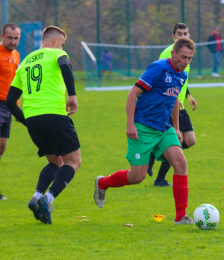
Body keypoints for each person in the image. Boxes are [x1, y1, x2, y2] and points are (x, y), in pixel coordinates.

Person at [94, 37, 196, 225]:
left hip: (164, 128)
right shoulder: (158, 68)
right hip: (143, 127)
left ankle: (181, 216)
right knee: (137, 177)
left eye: (190, 58)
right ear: (173, 53)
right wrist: (130, 124)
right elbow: (133, 92)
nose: (186, 62)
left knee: (180, 162)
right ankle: (102, 183)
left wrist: (176, 127)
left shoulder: (182, 75)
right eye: (183, 57)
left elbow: (174, 99)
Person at [6, 25, 81, 224]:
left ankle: (37, 196)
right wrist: (72, 96)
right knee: (73, 162)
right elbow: (65, 66)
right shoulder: (56, 52)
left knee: (55, 162)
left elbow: (10, 100)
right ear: (55, 41)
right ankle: (48, 199)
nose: (62, 47)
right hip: (55, 114)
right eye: (62, 43)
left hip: (33, 119)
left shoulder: (25, 61)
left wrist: (26, 121)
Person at [147, 23, 198, 187]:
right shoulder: (169, 53)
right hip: (169, 104)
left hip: (180, 104)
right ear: (173, 37)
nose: (182, 35)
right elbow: (162, 78)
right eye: (179, 33)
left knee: (189, 140)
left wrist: (189, 95)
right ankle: (159, 176)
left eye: (185, 33)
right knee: (178, 142)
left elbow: (180, 78)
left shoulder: (187, 52)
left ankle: (155, 156)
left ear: (189, 35)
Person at [0, 23, 21, 200]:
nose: (13, 41)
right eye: (10, 38)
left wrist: (16, 106)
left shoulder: (16, 55)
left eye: (16, 38)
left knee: (1, 147)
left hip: (9, 106)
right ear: (2, 36)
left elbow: (14, 84)